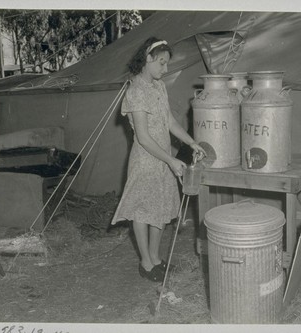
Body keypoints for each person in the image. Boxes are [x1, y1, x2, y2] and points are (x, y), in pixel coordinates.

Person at [111, 37, 206, 282]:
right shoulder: (135, 91)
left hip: (164, 158)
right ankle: (145, 262)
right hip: (146, 160)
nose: (165, 69)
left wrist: (191, 142)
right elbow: (142, 137)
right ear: (147, 58)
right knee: (143, 211)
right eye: (161, 63)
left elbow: (170, 123)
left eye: (166, 64)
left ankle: (156, 259)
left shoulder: (158, 87)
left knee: (160, 208)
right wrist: (171, 161)